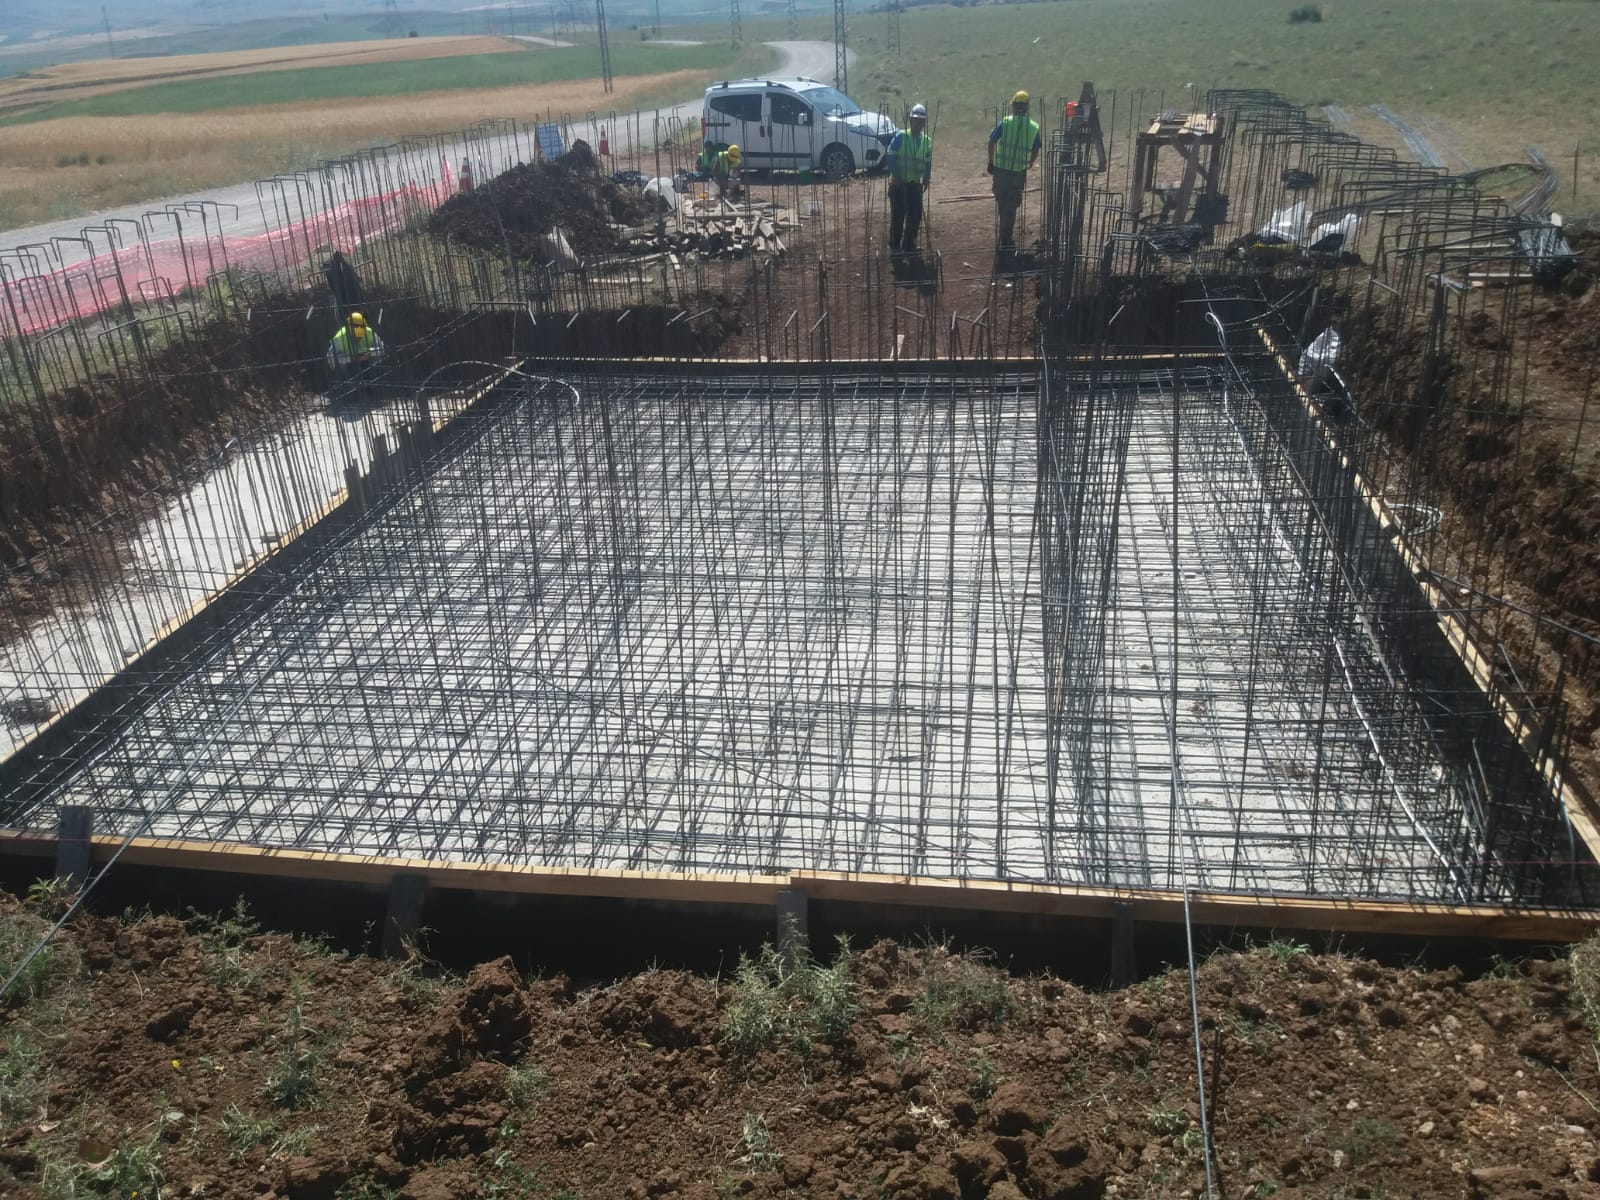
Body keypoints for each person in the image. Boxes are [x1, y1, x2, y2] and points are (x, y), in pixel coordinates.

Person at [987, 90, 1041, 252]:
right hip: (1018, 172)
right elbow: (1036, 149)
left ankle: (1005, 236)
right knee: (1011, 204)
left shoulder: (1005, 122)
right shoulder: (1033, 127)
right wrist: (1030, 163)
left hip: (1001, 171)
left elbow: (992, 141)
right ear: (1027, 108)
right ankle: (1006, 236)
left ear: (1013, 106)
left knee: (1003, 201)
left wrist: (991, 161)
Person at [886, 103, 932, 255]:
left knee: (915, 215)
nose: (917, 123)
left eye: (920, 120)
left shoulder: (927, 141)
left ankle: (908, 244)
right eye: (915, 120)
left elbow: (927, 161)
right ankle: (895, 245)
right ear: (910, 120)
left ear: (924, 122)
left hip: (914, 184)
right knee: (898, 216)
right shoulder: (901, 136)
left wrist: (926, 177)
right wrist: (896, 174)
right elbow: (890, 155)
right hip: (898, 184)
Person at [325, 311, 386, 400]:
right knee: (341, 366)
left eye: (360, 337)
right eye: (356, 337)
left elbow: (382, 349)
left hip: (366, 362)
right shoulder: (340, 337)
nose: (358, 339)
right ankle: (348, 391)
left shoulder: (369, 332)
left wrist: (370, 352)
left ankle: (373, 387)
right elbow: (330, 358)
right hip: (347, 364)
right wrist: (352, 358)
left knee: (377, 359)